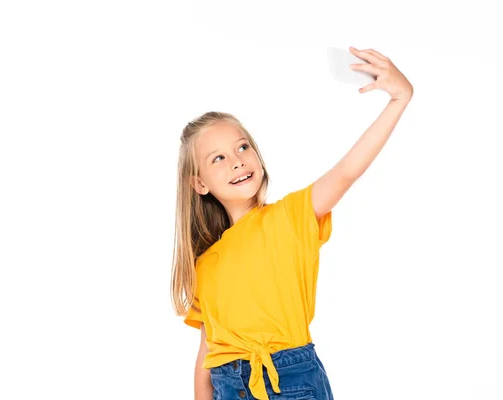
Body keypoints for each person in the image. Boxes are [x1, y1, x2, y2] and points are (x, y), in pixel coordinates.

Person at [170, 46, 414, 400]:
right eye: (219, 158)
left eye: (242, 148)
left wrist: (398, 100)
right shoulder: (204, 263)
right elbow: (207, 352)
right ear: (200, 183)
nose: (237, 162)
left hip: (290, 382)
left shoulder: (290, 218)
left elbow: (347, 171)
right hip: (228, 387)